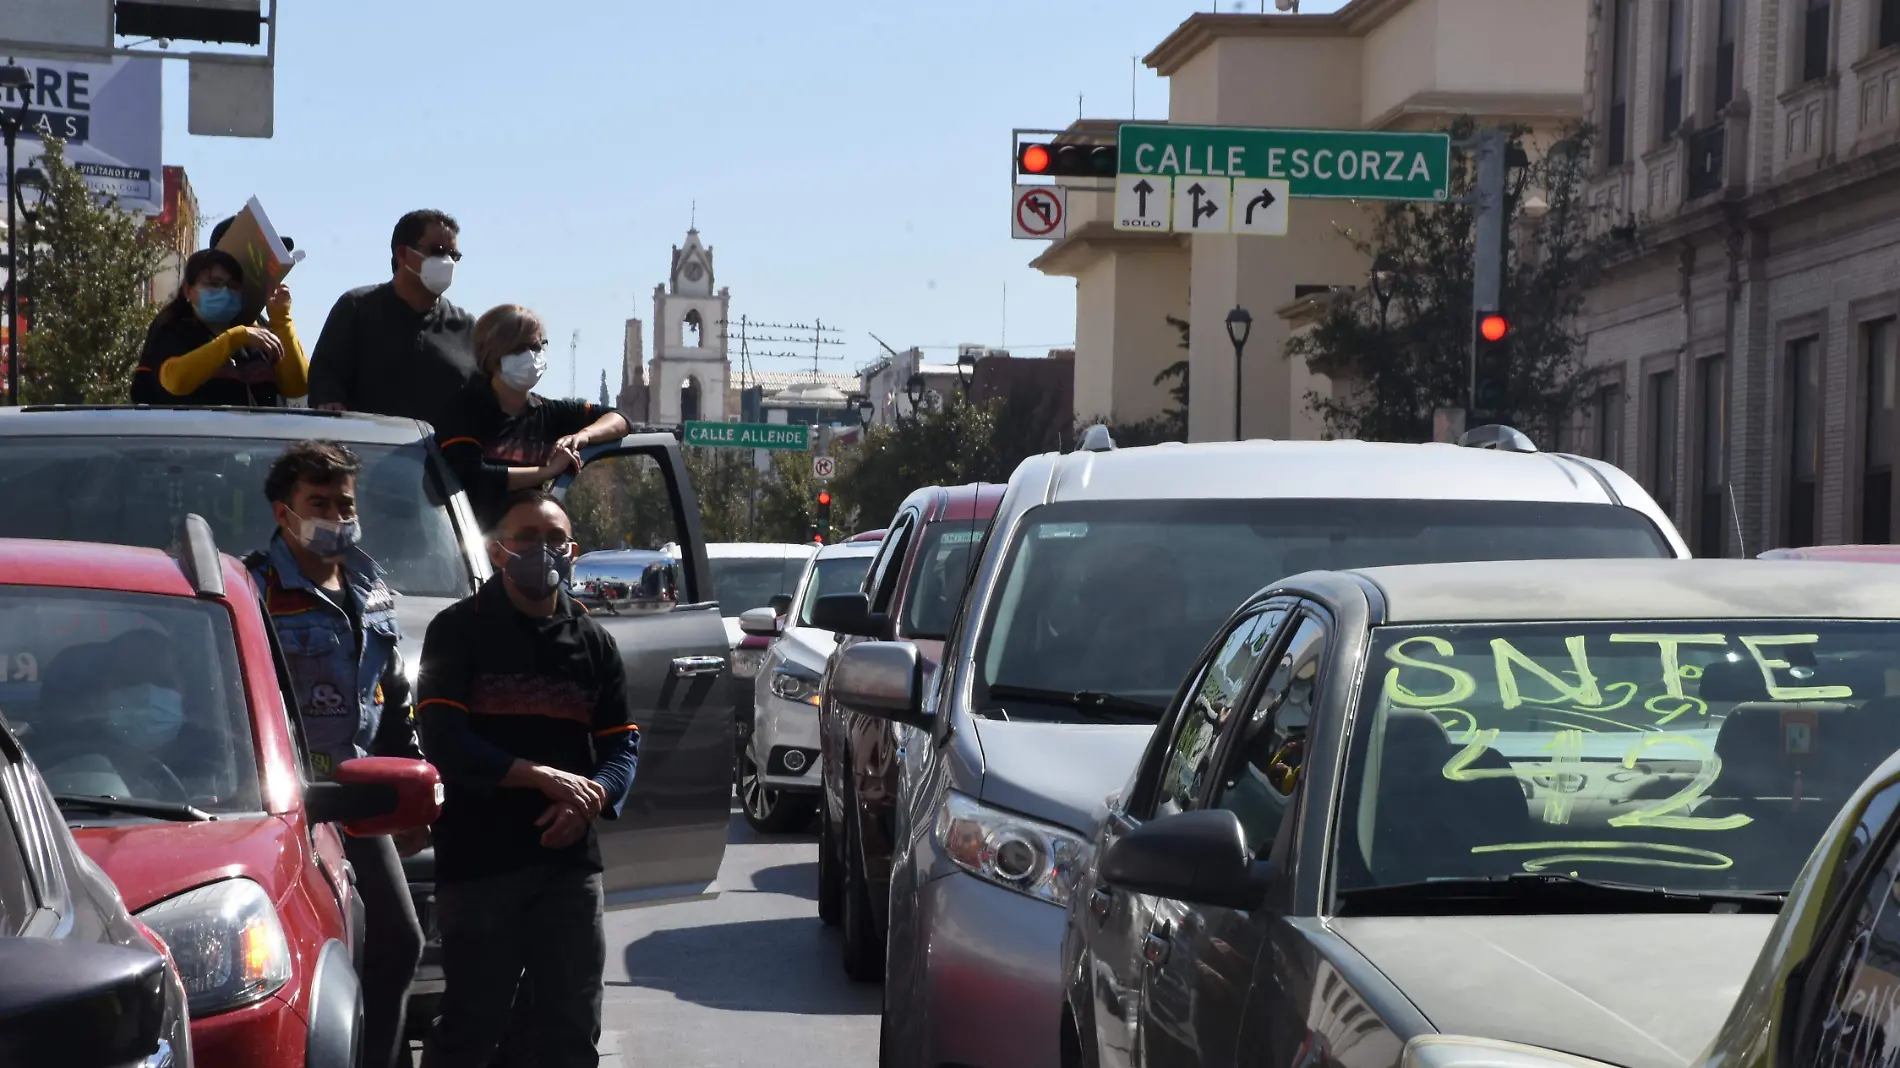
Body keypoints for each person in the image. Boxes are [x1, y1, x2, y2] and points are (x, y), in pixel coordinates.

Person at [416, 488, 638, 1068]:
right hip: (480, 866)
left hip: (569, 871)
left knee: (569, 1028)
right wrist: (539, 778)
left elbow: (622, 747)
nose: (543, 551)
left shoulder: (594, 644)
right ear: (497, 551)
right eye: (528, 538)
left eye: (554, 539)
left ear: (573, 550)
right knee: (473, 1026)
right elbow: (444, 740)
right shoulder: (456, 631)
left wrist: (589, 800)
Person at [244, 440, 426, 1068]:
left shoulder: (369, 584)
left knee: (398, 941)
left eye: (343, 504)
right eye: (316, 503)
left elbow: (391, 690)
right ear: (282, 512)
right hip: (283, 803)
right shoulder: (254, 588)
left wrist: (409, 780)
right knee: (300, 953)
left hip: (357, 797)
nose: (334, 517)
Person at [434, 304, 631, 530]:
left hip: (528, 547)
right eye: (519, 348)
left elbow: (620, 419)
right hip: (470, 548)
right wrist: (547, 472)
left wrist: (584, 436)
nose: (531, 356)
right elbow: (472, 477)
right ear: (493, 355)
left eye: (538, 347)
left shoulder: (547, 412)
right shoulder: (465, 409)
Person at [306, 209, 476, 424]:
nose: (447, 262)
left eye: (454, 255)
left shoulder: (466, 327)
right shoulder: (356, 308)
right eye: (438, 251)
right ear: (402, 254)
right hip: (368, 451)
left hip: (441, 455)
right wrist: (329, 404)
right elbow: (325, 378)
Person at [131, 247, 308, 406]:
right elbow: (174, 381)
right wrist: (233, 339)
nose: (224, 292)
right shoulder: (172, 330)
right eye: (213, 284)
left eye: (232, 286)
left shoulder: (256, 331)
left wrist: (281, 319)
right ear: (188, 291)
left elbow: (297, 387)